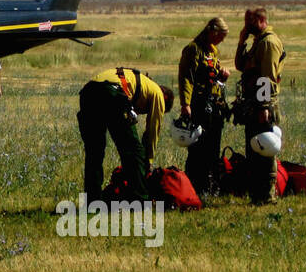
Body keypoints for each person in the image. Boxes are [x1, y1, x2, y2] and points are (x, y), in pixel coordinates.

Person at [77, 67, 172, 202]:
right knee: (134, 151)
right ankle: (140, 200)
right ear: (165, 99)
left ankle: (92, 202)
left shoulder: (139, 83)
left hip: (88, 92)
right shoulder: (158, 94)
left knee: (94, 153)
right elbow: (153, 130)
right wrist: (148, 160)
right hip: (111, 93)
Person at [234, 7, 285, 205]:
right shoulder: (257, 42)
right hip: (252, 103)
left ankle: (267, 195)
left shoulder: (269, 43)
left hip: (263, 105)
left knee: (266, 148)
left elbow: (267, 77)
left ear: (261, 20)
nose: (247, 26)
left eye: (250, 22)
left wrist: (264, 106)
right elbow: (240, 65)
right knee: (254, 148)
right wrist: (241, 42)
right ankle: (256, 194)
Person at [177, 17, 231, 196]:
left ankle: (211, 186)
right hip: (198, 105)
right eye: (221, 36)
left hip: (214, 106)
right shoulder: (193, 49)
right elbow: (186, 77)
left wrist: (222, 75)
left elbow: (213, 74)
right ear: (212, 31)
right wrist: (185, 104)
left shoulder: (212, 51)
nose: (221, 40)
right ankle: (194, 186)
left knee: (213, 148)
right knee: (198, 149)